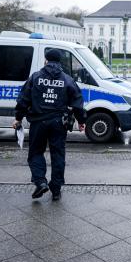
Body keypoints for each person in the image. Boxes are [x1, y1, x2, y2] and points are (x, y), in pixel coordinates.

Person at [13, 49, 87, 201]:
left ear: (46, 60)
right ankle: (56, 190)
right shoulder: (67, 79)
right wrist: (81, 121)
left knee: (35, 153)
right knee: (58, 155)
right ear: (59, 62)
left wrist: (18, 118)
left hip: (38, 122)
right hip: (58, 123)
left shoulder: (35, 77)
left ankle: (40, 182)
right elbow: (78, 102)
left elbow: (23, 100)